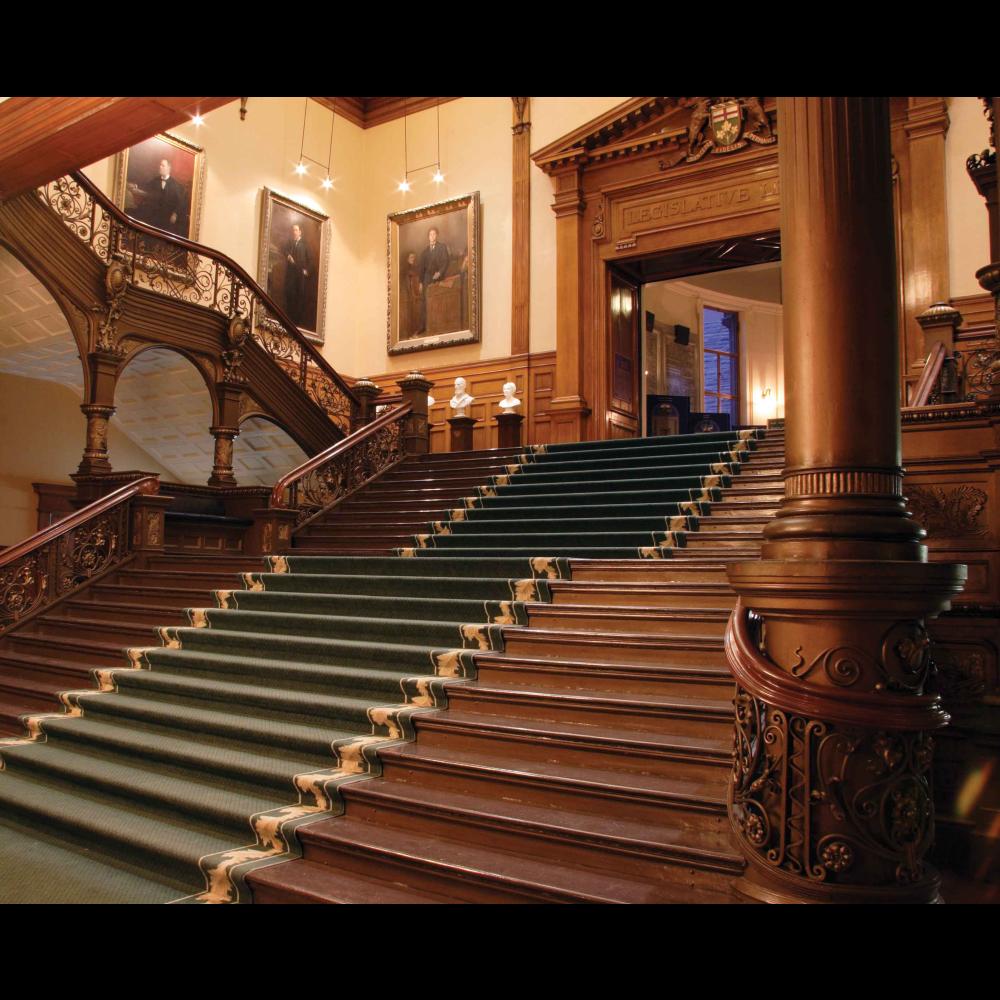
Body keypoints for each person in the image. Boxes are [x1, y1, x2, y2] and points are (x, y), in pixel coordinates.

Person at [132, 158, 186, 235]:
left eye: (163, 165)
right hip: (154, 217)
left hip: (167, 218)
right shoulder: (154, 181)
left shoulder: (176, 185)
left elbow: (181, 202)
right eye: (160, 165)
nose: (160, 167)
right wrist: (136, 186)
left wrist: (175, 213)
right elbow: (146, 191)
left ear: (169, 168)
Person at [417, 226, 450, 333]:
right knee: (425, 302)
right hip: (427, 279)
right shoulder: (424, 252)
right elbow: (421, 269)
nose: (432, 236)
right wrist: (421, 282)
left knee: (438, 300)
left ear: (437, 235)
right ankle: (424, 326)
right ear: (428, 237)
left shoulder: (442, 247)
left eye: (434, 234)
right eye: (430, 234)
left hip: (438, 278)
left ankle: (438, 324)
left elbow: (445, 262)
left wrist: (440, 272)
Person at [282, 223, 312, 327]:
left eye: (296, 230)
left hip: (300, 276)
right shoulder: (290, 243)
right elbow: (284, 250)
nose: (293, 232)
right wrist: (288, 256)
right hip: (291, 276)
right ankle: (289, 320)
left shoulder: (305, 245)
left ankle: (297, 322)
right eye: (293, 230)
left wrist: (306, 270)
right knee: (290, 296)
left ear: (300, 232)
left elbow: (310, 260)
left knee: (299, 298)